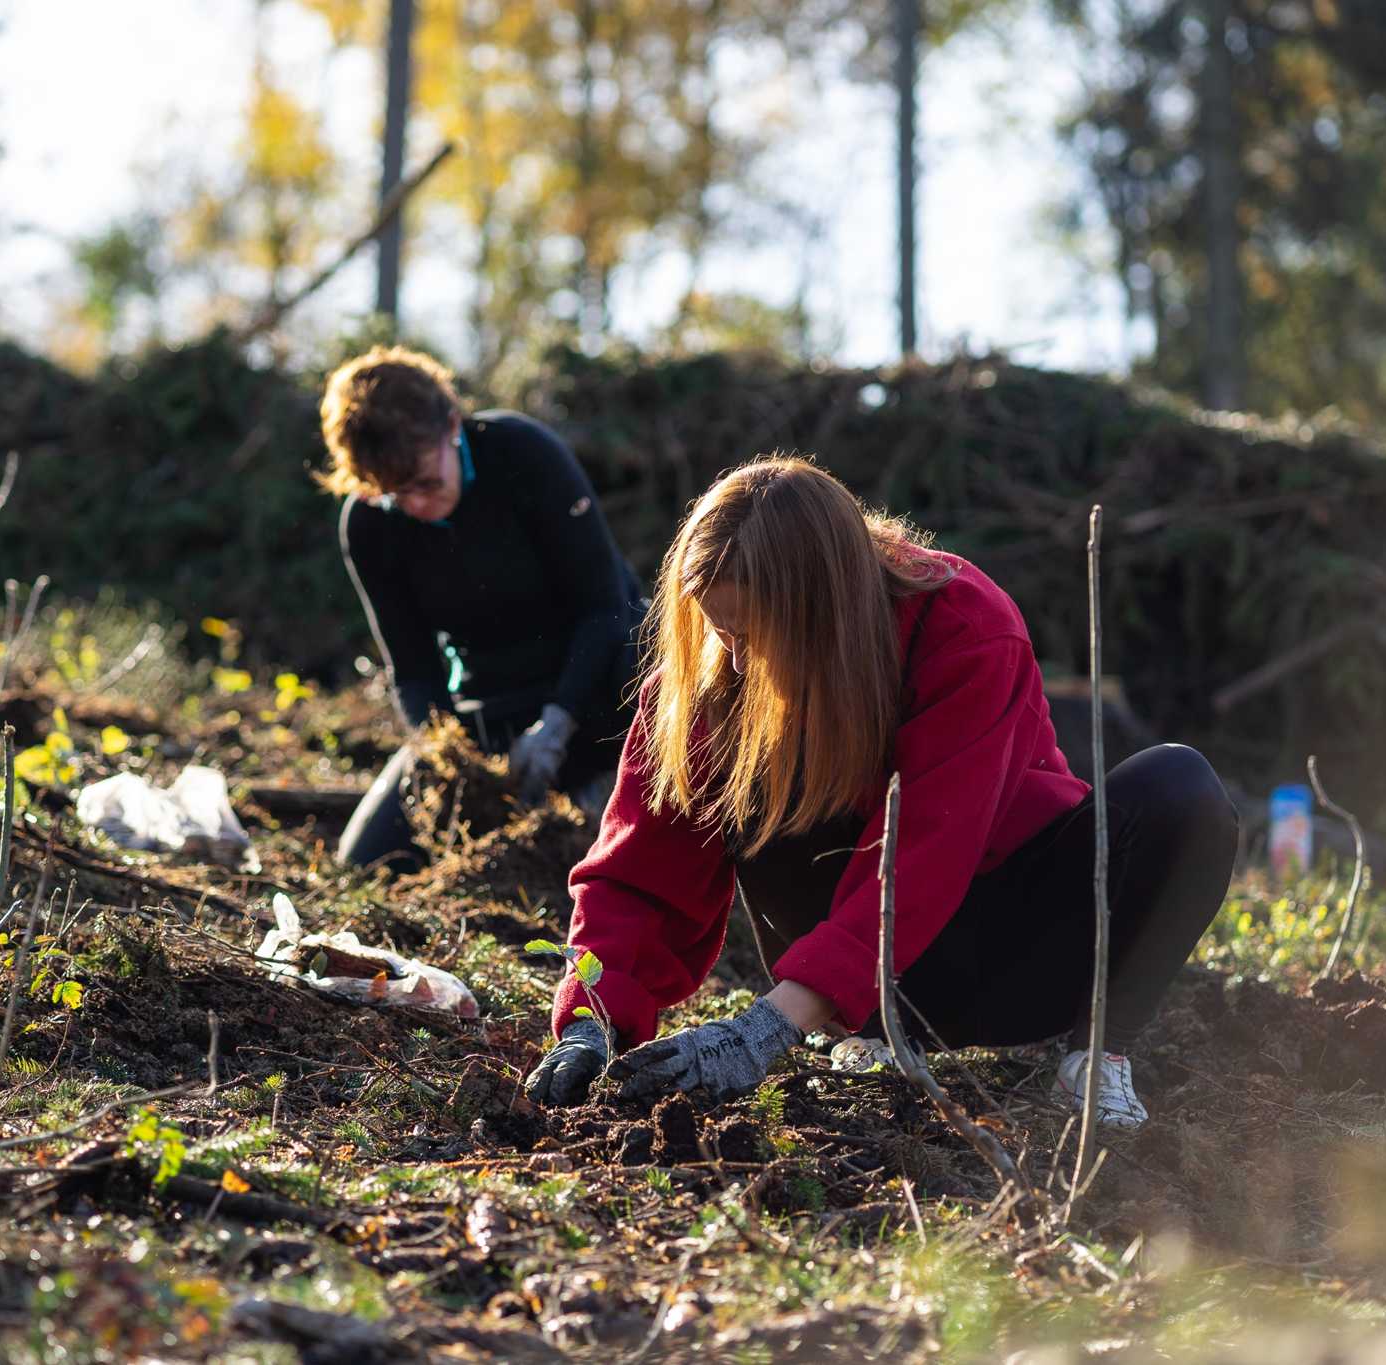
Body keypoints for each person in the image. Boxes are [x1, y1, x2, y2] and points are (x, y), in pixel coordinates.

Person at [523, 458, 1238, 1130]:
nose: (736, 657)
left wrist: (761, 1029)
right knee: (752, 744)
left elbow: (930, 853)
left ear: (822, 611)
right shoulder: (714, 680)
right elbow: (633, 869)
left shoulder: (964, 627)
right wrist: (590, 1014)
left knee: (1182, 789)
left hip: (1015, 949)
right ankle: (869, 1034)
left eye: (755, 634)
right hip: (869, 988)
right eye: (719, 630)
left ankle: (1097, 1054)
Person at [319, 346, 645, 869]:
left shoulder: (523, 452)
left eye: (426, 483)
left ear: (452, 425)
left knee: (646, 653)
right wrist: (446, 761)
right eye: (395, 496)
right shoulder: (367, 524)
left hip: (605, 683)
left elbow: (604, 604)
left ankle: (613, 793)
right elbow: (414, 668)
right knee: (365, 861)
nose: (417, 507)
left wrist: (558, 724)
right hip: (491, 705)